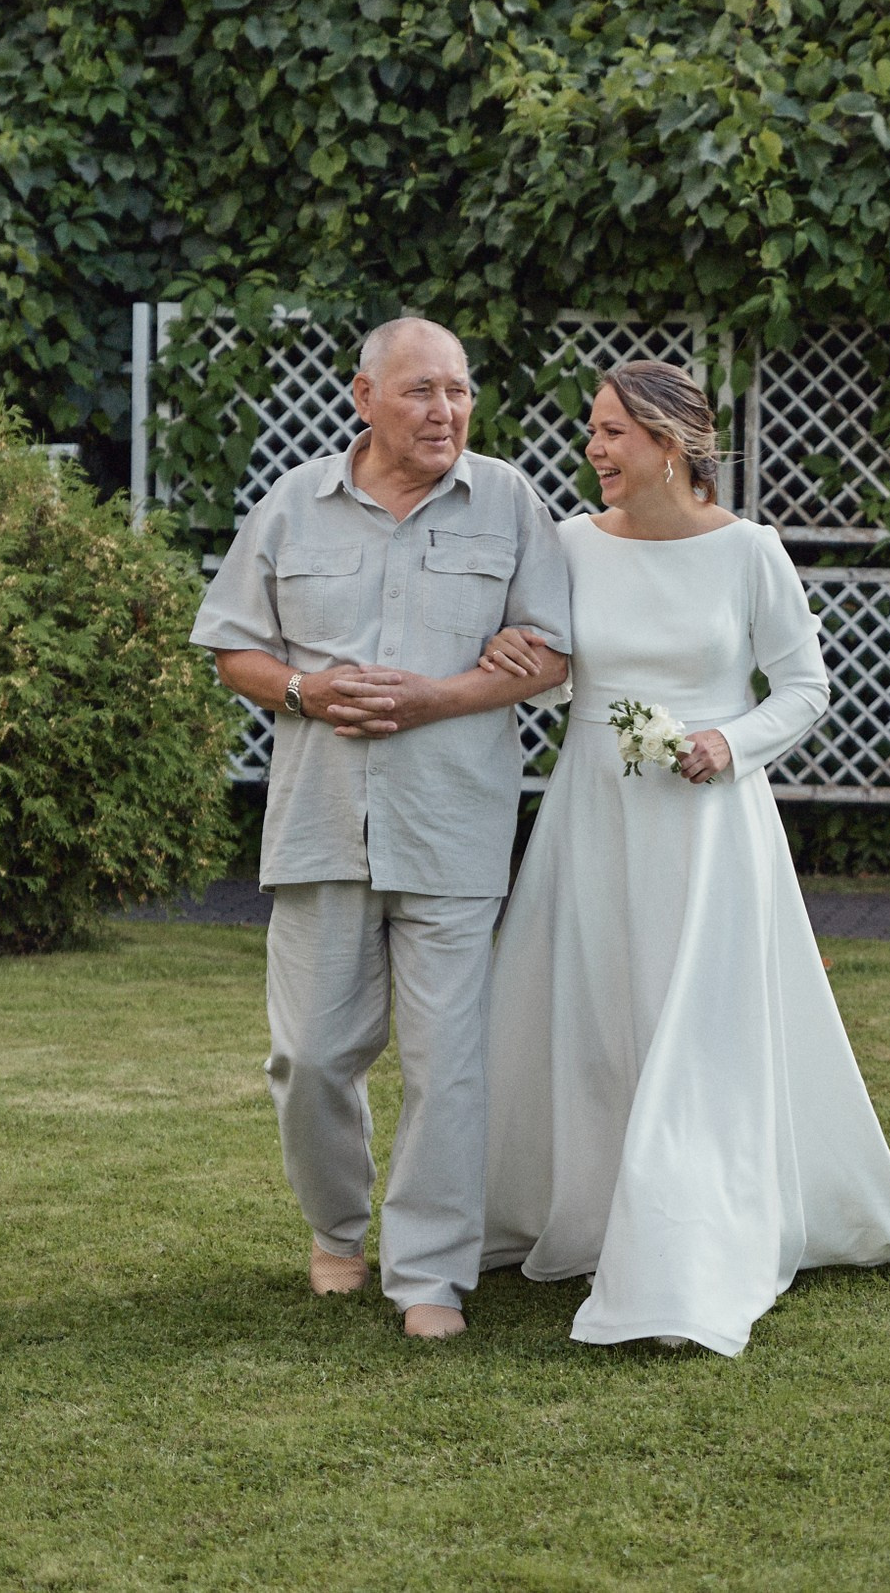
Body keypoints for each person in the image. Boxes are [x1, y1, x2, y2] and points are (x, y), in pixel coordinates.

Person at [475, 358, 890, 1355]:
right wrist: (526, 673)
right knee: (599, 1024)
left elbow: (805, 687)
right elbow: (561, 677)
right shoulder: (564, 546)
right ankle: (599, 1214)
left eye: (611, 433)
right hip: (593, 817)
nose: (592, 450)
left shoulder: (749, 554)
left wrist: (731, 743)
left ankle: (684, 1250)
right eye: (592, 431)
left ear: (673, 444)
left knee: (696, 1035)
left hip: (709, 831)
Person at [188, 317, 573, 1339]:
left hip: (454, 824)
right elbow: (234, 649)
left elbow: (551, 658)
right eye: (420, 391)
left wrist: (435, 700)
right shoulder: (292, 507)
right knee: (312, 1056)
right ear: (363, 398)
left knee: (448, 1061)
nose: (444, 410)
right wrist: (309, 690)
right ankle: (335, 1232)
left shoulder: (510, 504)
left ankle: (430, 1275)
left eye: (457, 390)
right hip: (321, 822)